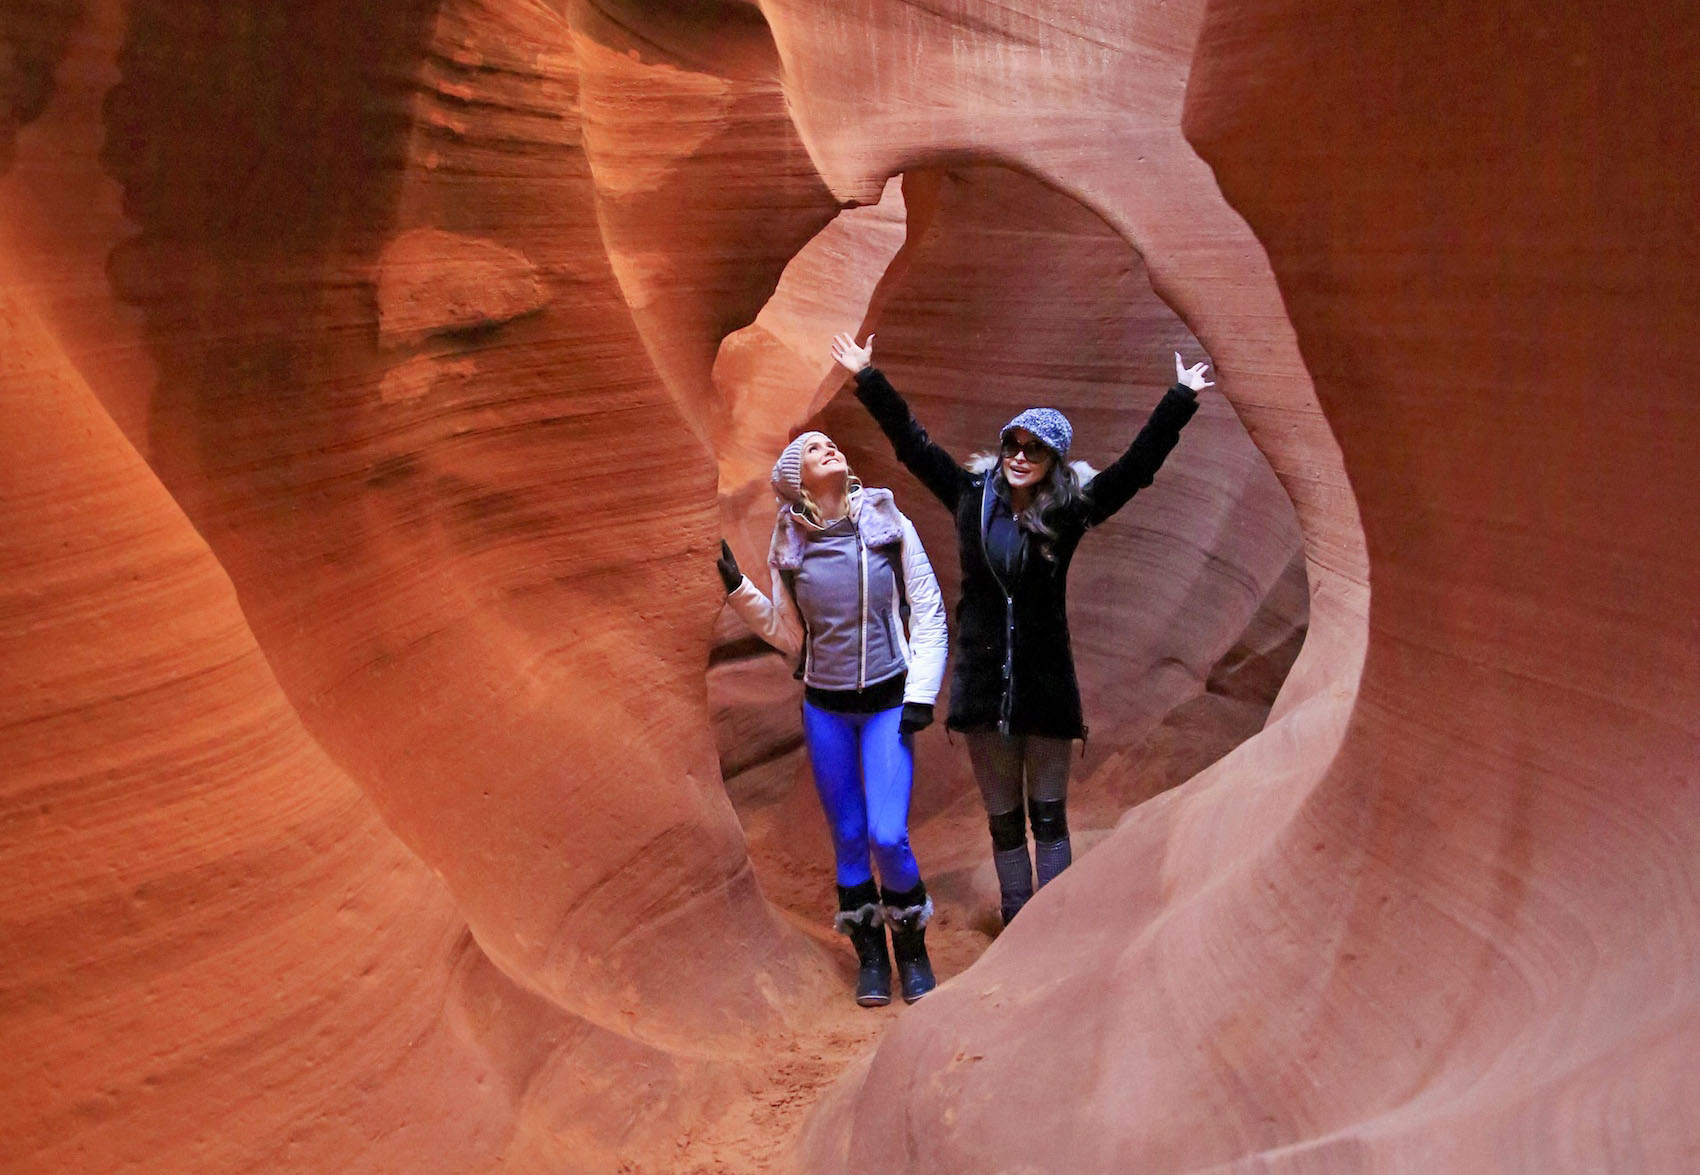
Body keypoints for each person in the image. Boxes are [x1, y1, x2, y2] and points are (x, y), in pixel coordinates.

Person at [830, 331, 1212, 925]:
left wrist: (1180, 399)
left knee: (1050, 813)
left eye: (1034, 449)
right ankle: (1016, 918)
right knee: (1004, 816)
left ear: (1053, 461)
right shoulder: (969, 497)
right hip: (983, 686)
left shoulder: (1069, 510)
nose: (1019, 455)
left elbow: (1135, 471)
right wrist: (867, 376)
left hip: (1046, 683)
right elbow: (913, 446)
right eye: (1013, 443)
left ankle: (1051, 924)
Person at [717, 429, 949, 1004]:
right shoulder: (789, 542)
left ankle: (912, 950)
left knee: (887, 834)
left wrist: (921, 692)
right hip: (826, 706)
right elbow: (789, 635)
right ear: (796, 479)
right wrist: (738, 588)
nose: (831, 449)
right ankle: (872, 958)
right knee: (847, 836)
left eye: (831, 446)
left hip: (888, 704)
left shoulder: (885, 518)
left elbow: (927, 607)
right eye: (815, 450)